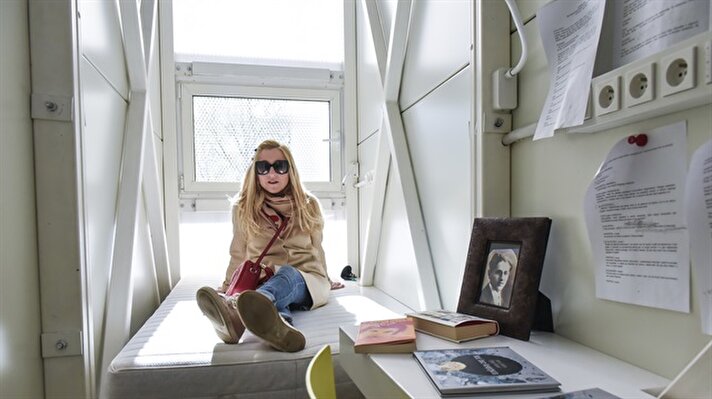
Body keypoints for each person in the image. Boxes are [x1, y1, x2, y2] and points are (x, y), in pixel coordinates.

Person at [196, 139, 342, 352]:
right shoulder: (243, 207)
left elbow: (317, 247)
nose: (271, 174)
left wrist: (326, 279)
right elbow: (238, 251)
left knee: (287, 276)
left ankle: (236, 314)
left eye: (279, 166)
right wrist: (228, 285)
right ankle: (282, 329)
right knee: (274, 296)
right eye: (263, 168)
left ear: (289, 170)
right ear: (255, 172)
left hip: (306, 279)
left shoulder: (309, 204)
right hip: (264, 279)